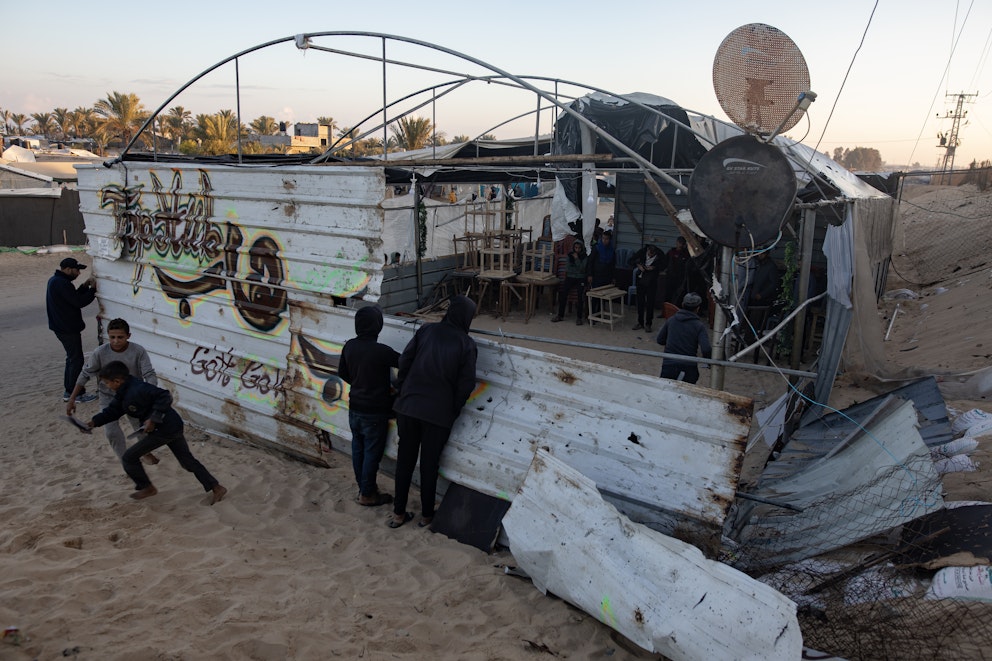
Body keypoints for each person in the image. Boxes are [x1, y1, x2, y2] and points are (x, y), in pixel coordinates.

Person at [389, 295, 478, 529]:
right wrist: (453, 410)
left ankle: (398, 514)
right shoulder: (466, 344)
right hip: (438, 415)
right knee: (429, 464)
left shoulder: (426, 331)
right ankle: (427, 515)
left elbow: (404, 362)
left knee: (404, 462)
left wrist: (402, 391)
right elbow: (465, 385)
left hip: (408, 407)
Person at [87, 361, 227, 504]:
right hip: (172, 426)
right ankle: (217, 487)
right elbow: (113, 411)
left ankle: (147, 487)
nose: (106, 386)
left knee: (129, 457)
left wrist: (153, 419)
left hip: (165, 429)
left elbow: (164, 396)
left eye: (107, 383)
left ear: (116, 381)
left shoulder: (138, 389)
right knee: (187, 462)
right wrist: (94, 422)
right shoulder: (123, 392)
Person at [67, 318, 160, 466]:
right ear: (108, 336)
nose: (116, 341)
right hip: (108, 397)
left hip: (133, 396)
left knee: (141, 428)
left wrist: (149, 394)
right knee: (111, 431)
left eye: (120, 337)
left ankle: (145, 452)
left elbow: (149, 374)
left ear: (128, 336)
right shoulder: (100, 353)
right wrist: (72, 398)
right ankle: (126, 460)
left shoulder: (138, 351)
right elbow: (85, 374)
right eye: (112, 337)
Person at [338, 306, 400, 507]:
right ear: (378, 326)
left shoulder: (349, 347)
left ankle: (364, 488)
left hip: (354, 407)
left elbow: (343, 373)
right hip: (375, 413)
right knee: (372, 453)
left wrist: (359, 383)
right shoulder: (382, 351)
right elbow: (406, 363)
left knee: (358, 448)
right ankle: (367, 493)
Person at [47, 256, 98, 403]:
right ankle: (75, 393)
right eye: (77, 270)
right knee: (76, 360)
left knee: (72, 359)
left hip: (62, 327)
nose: (78, 273)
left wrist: (84, 286)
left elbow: (71, 297)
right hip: (67, 328)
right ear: (68, 270)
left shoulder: (57, 281)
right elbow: (78, 302)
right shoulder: (62, 284)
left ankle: (69, 391)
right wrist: (93, 290)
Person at [655, 292, 712, 385]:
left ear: (682, 305)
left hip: (669, 365)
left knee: (666, 394)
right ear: (698, 308)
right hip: (689, 367)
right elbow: (706, 349)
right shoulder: (699, 326)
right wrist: (709, 362)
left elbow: (660, 340)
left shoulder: (671, 320)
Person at [551, 239, 589, 325]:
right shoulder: (569, 256)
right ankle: (560, 315)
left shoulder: (584, 256)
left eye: (579, 248)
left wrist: (577, 260)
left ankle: (579, 318)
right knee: (563, 294)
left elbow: (583, 269)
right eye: (576, 247)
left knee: (580, 296)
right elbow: (567, 268)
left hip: (580, 278)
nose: (577, 250)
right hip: (570, 277)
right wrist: (576, 266)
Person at [630, 244, 666, 333]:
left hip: (652, 281)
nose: (650, 256)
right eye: (649, 254)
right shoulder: (642, 252)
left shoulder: (660, 255)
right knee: (640, 302)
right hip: (641, 280)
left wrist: (654, 268)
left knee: (650, 303)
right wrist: (638, 265)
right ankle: (640, 322)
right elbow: (631, 260)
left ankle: (648, 323)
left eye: (652, 255)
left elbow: (664, 265)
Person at [663, 237, 690, 304]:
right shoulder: (671, 252)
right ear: (677, 243)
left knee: (678, 296)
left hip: (681, 279)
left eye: (682, 243)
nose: (680, 245)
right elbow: (665, 263)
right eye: (679, 243)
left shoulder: (686, 254)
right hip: (670, 277)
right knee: (668, 295)